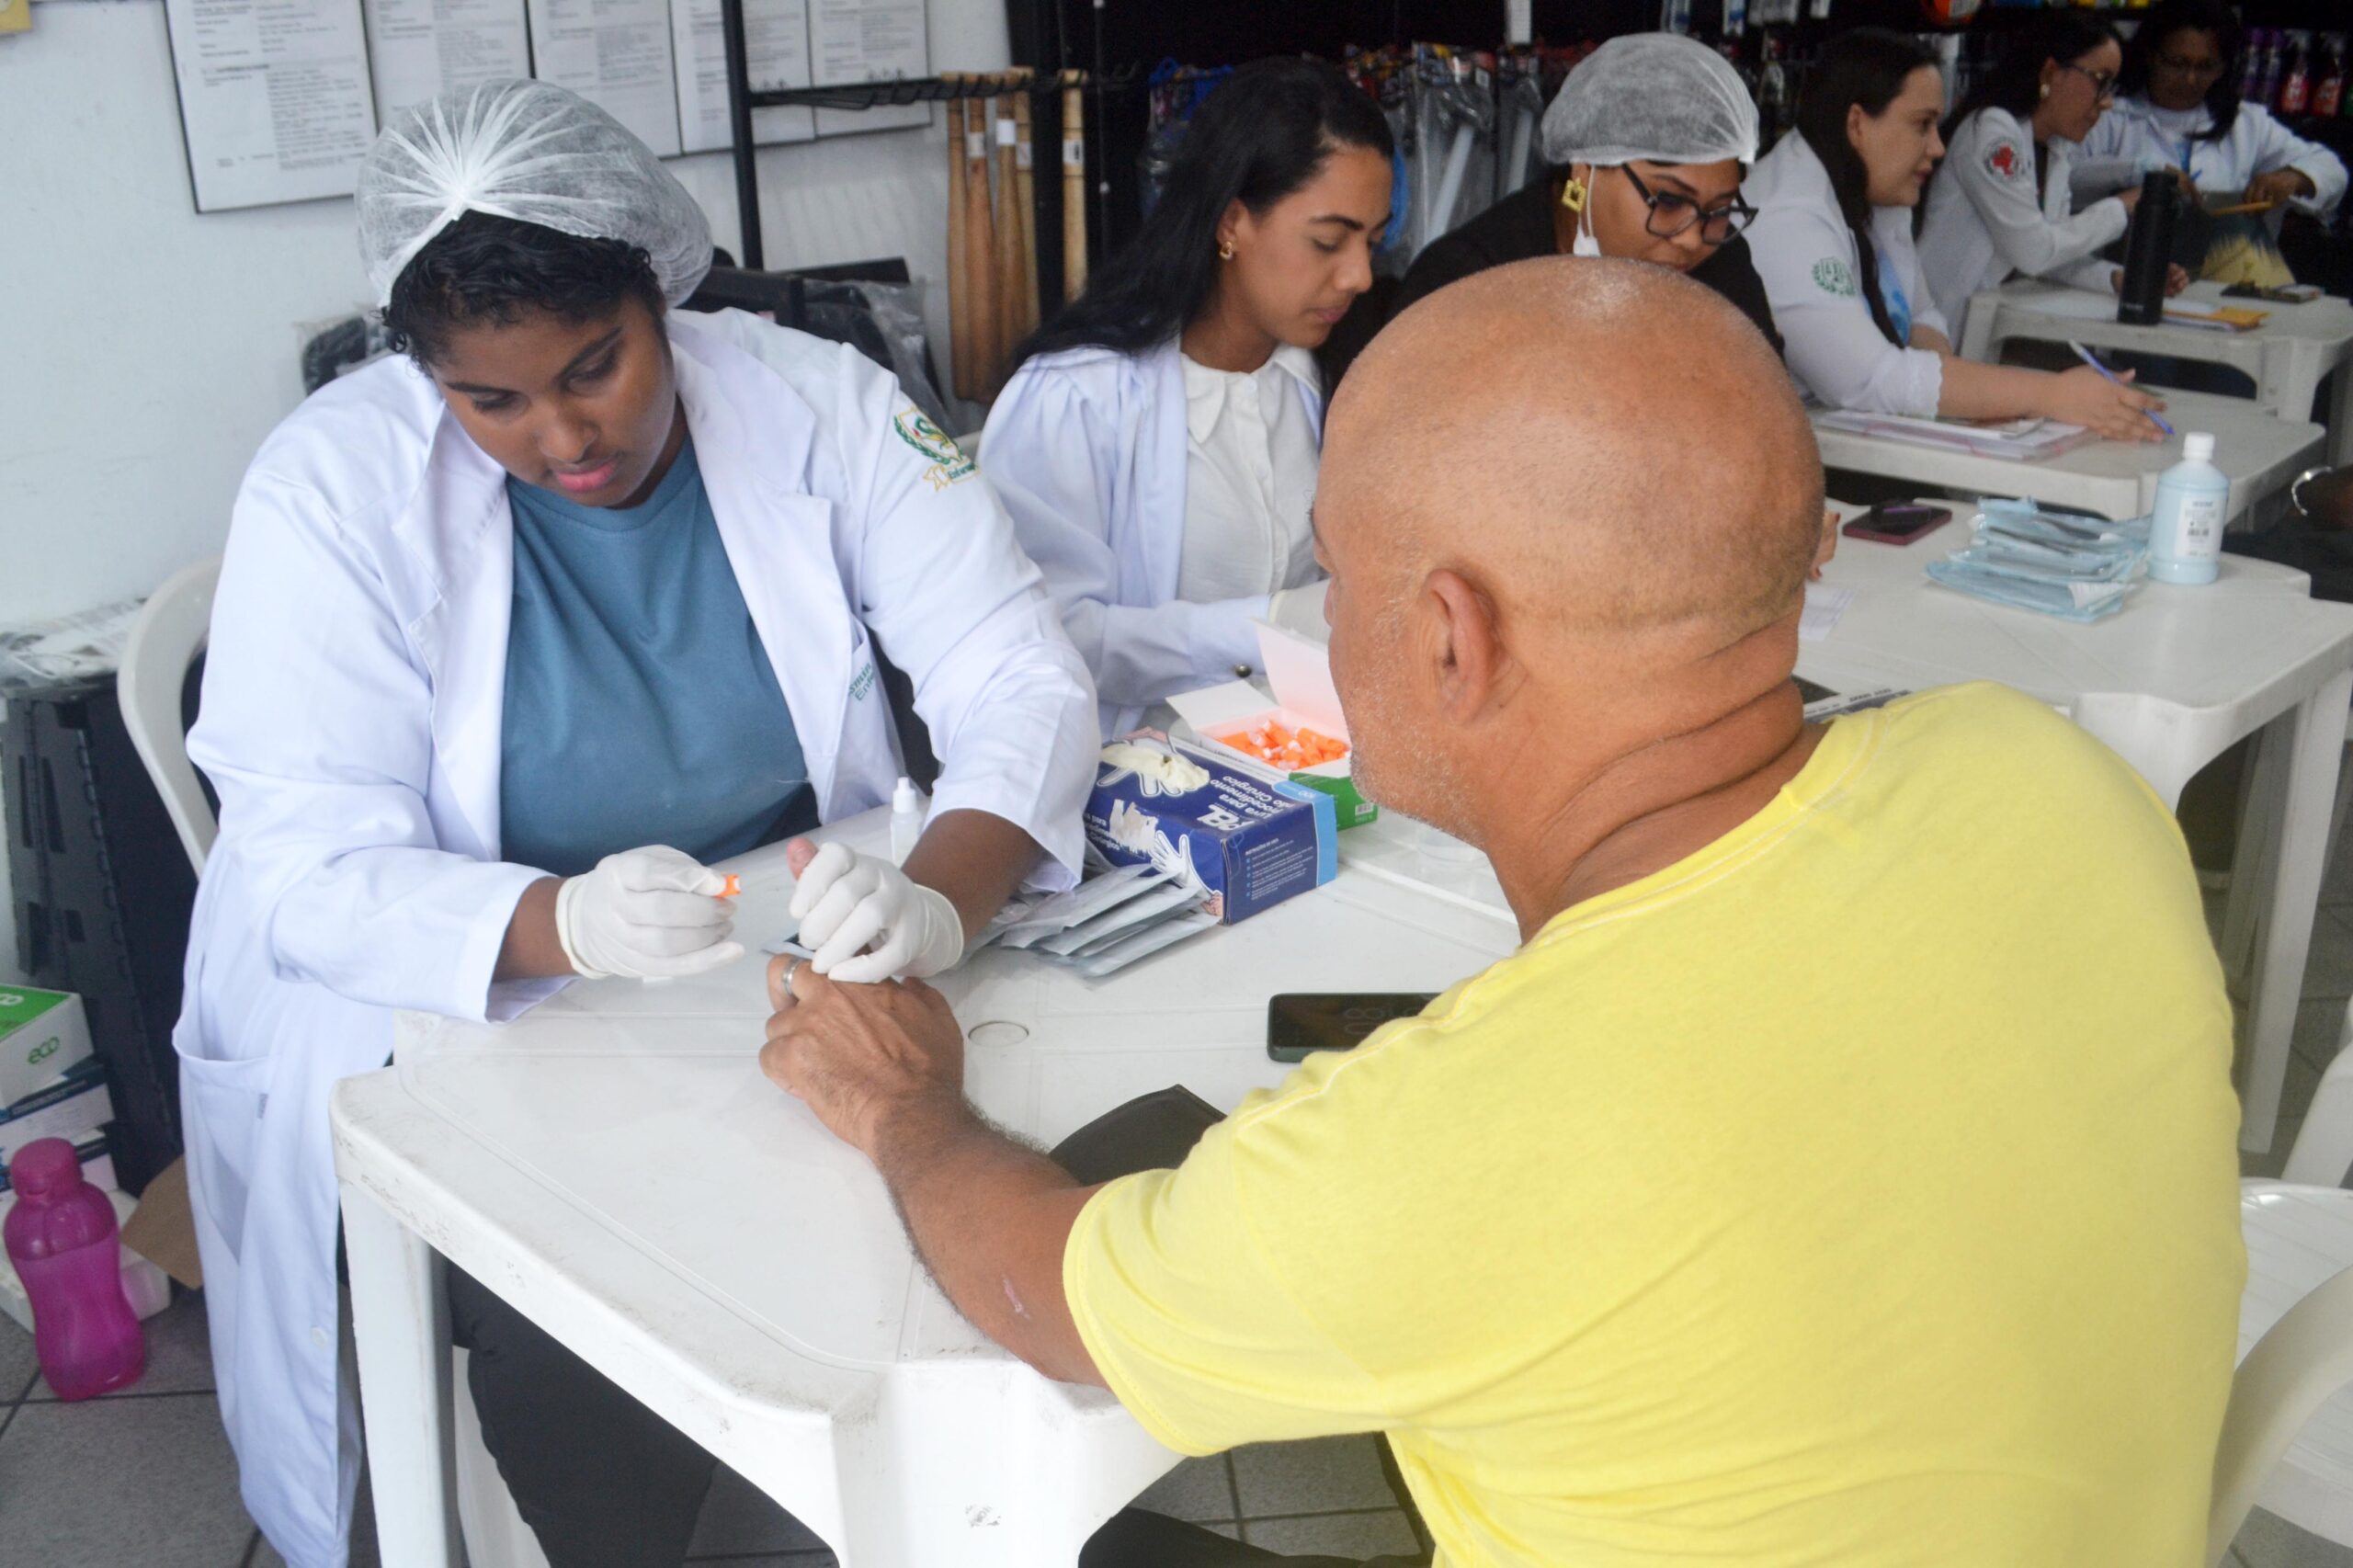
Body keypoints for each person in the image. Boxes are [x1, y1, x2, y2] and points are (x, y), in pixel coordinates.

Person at [756, 258, 2244, 1567]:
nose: (1319, 618)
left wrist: (906, 1106)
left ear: (1453, 639)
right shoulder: (2050, 770)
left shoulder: (1452, 1145)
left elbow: (1046, 1296)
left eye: (1332, 573)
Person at [177, 81, 1097, 1568]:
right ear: (428, 375)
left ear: (660, 292)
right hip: (472, 1004)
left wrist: (941, 896)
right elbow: (299, 860)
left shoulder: (821, 398)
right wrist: (560, 924)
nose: (561, 436)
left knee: (901, 1226)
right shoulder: (328, 491)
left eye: (595, 366)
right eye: (494, 399)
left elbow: (1014, 669)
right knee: (581, 1341)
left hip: (773, 947)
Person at [981, 59, 1394, 739]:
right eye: (1328, 241)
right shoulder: (1078, 397)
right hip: (1136, 780)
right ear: (1232, 221)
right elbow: (1042, 637)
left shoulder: (1331, 377)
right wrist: (1265, 626)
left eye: (1372, 242)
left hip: (1307, 758)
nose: (1357, 275)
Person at [1744, 28, 2168, 441]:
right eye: (1922, 125)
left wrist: (1959, 398)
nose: (1938, 148)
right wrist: (2050, 394)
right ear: (1857, 124)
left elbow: (1920, 313)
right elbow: (1868, 379)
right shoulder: (1790, 216)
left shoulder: (1875, 189)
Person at [1388, 31, 1779, 355]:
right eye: (1669, 201)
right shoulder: (1470, 277)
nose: (1693, 237)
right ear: (1584, 172)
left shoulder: (1722, 265)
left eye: (1720, 209)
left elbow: (1767, 402)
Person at [1919, 13, 2189, 338]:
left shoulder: (2055, 148)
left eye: (2112, 87)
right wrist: (2120, 206)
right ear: (2051, 72)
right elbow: (2035, 251)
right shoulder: (1993, 133)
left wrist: (2120, 278)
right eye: (2100, 81)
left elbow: (2057, 254)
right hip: (1939, 328)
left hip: (1986, 330)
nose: (2106, 102)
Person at [2067, 0, 2346, 232]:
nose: (2190, 79)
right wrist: (2140, 171)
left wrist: (2296, 178)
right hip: (2119, 274)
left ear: (2224, 68)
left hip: (2222, 280)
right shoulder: (2108, 114)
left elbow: (2332, 170)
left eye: (2205, 67)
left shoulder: (2246, 123)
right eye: (2177, 63)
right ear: (2151, 55)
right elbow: (2064, 180)